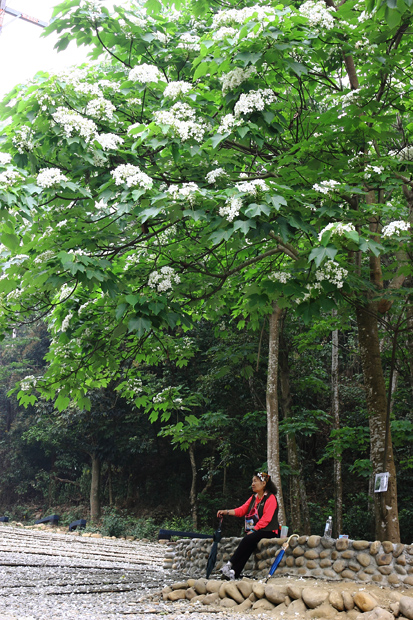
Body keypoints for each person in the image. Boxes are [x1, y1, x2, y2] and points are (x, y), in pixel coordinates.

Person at [217, 471, 279, 580]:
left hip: (269, 531)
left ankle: (230, 564)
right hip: (258, 531)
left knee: (248, 539)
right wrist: (226, 512)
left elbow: (267, 518)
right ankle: (234, 572)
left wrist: (254, 529)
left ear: (264, 483)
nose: (253, 484)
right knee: (250, 545)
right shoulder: (254, 498)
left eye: (255, 481)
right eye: (252, 481)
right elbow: (241, 510)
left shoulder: (271, 498)